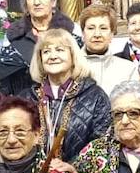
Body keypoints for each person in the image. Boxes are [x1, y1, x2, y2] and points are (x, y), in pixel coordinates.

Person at [24, 28, 111, 162]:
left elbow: (101, 145)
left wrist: (69, 169)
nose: (52, 56)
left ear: (73, 56)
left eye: (59, 50)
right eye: (46, 51)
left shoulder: (95, 96)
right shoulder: (26, 98)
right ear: (40, 59)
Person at [0, 0, 79, 96]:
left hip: (68, 99)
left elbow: (80, 70)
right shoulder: (13, 36)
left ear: (53, 1)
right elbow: (4, 78)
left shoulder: (71, 31)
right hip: (25, 102)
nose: (37, 2)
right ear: (26, 4)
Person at [78, 4, 138, 94]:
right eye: (91, 28)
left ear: (111, 34)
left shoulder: (128, 70)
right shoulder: (69, 67)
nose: (97, 34)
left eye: (103, 28)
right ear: (83, 33)